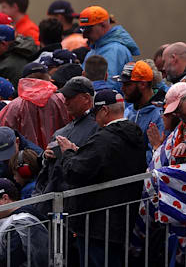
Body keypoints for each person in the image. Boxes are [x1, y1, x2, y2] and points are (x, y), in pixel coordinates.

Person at [53, 89, 149, 267]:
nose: (95, 119)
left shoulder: (105, 139)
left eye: (96, 114)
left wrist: (67, 153)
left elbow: (75, 172)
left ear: (104, 111)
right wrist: (79, 153)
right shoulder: (135, 136)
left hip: (96, 226)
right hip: (120, 222)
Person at [0, 65, 69, 155]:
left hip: (27, 164)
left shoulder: (15, 106)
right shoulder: (62, 99)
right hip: (60, 157)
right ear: (48, 78)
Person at [79, 6, 139, 79]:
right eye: (83, 32)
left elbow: (110, 84)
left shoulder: (115, 50)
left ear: (103, 25)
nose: (84, 36)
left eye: (88, 31)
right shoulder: (95, 49)